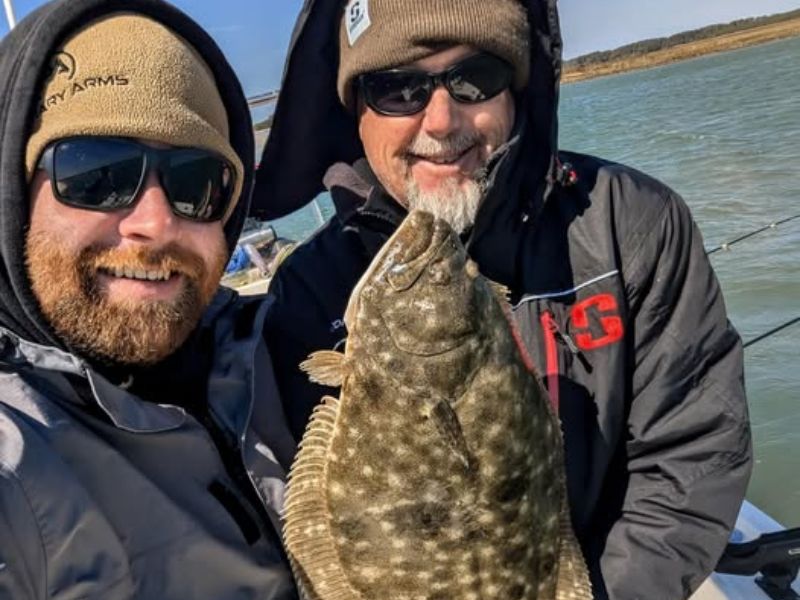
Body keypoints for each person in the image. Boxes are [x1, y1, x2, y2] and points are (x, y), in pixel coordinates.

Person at [254, 0, 753, 597]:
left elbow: (691, 451)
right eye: (398, 89)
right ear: (354, 109)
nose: (440, 122)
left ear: (516, 90)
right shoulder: (304, 292)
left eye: (475, 78)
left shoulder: (632, 224)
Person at [0, 1, 297, 597]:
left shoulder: (286, 346)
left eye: (195, 184)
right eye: (97, 172)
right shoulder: (16, 461)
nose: (155, 222)